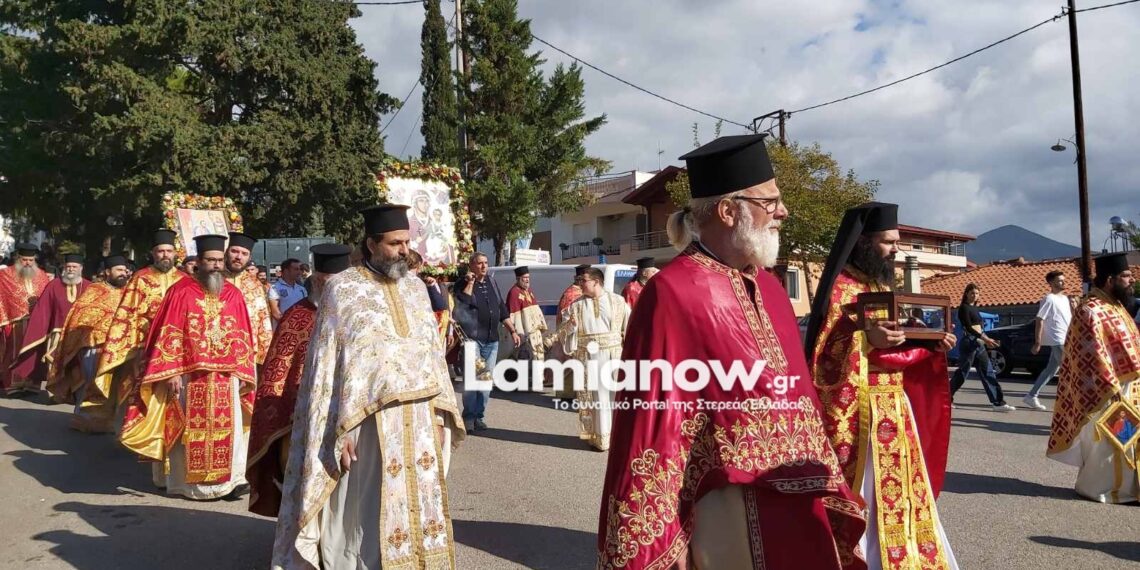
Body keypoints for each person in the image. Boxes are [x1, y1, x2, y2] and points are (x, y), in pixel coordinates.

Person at [597, 135, 865, 569]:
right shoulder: (671, 292)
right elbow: (651, 420)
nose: (783, 212)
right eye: (770, 201)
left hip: (802, 499)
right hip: (727, 505)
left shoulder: (772, 289)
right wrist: (667, 532)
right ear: (728, 211)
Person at [271, 204, 463, 569]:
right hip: (365, 421)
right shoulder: (342, 289)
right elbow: (327, 367)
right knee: (364, 506)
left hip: (419, 418)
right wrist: (337, 429)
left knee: (419, 500)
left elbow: (431, 356)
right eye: (394, 243)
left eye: (406, 242)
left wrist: (439, 415)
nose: (404, 250)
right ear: (371, 244)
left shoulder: (416, 288)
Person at [805, 202, 959, 570]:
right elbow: (825, 352)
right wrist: (864, 337)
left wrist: (929, 343)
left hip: (895, 406)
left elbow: (896, 342)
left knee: (903, 492)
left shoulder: (877, 284)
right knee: (870, 494)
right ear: (864, 242)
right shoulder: (841, 288)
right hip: (863, 414)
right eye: (888, 242)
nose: (895, 250)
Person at [120, 234, 256, 500]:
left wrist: (243, 371)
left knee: (227, 430)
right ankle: (187, 485)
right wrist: (171, 371)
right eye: (210, 260)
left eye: (219, 260)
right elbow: (167, 332)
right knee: (187, 430)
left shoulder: (234, 294)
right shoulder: (180, 291)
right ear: (199, 262)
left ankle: (226, 483)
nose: (216, 265)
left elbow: (243, 335)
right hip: (188, 375)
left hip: (225, 376)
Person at [247, 244, 351, 517]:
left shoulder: (361, 317)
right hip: (302, 417)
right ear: (316, 280)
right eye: (327, 282)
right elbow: (278, 372)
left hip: (351, 414)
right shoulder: (296, 316)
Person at [1047, 252, 1140, 503]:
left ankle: (1129, 488)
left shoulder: (1115, 306)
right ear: (1110, 279)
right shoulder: (1090, 310)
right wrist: (1111, 391)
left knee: (1129, 441)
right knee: (1110, 444)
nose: (1132, 280)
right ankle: (1104, 489)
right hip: (1106, 392)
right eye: (1126, 276)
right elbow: (1089, 356)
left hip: (1130, 388)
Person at [95, 230, 187, 415]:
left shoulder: (185, 280)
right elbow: (128, 313)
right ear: (153, 253)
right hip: (145, 345)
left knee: (174, 394)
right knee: (140, 394)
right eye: (160, 251)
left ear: (175, 253)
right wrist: (134, 347)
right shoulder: (141, 278)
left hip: (177, 346)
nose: (165, 255)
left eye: (169, 251)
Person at [48, 256, 130, 433]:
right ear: (107, 272)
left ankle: (110, 421)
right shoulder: (95, 290)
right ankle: (84, 419)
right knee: (90, 381)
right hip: (95, 345)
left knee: (117, 385)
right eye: (119, 270)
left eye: (124, 270)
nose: (123, 274)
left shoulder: (130, 293)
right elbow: (81, 316)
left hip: (121, 348)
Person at [556, 267, 628, 451]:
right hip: (588, 358)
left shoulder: (618, 301)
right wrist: (570, 327)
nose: (580, 284)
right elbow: (562, 332)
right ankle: (599, 439)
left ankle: (618, 437)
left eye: (584, 280)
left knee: (615, 398)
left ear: (596, 281)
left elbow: (630, 327)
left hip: (613, 356)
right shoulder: (576, 305)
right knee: (596, 399)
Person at [454, 251, 521, 431]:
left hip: (492, 340)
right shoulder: (462, 283)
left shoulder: (492, 282)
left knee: (485, 382)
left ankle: (479, 416)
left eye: (486, 262)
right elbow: (464, 303)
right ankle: (469, 417)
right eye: (479, 263)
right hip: (472, 340)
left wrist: (513, 331)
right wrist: (470, 282)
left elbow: (501, 309)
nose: (484, 266)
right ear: (471, 266)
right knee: (472, 379)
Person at [10, 253, 90, 394]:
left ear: (81, 268)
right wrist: (38, 330)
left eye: (74, 266)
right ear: (64, 267)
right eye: (68, 266)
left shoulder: (90, 287)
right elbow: (43, 309)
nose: (71, 269)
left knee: (78, 364)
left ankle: (76, 392)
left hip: (80, 333)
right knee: (55, 364)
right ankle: (56, 393)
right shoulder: (54, 285)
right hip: (57, 334)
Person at [948, 284, 1015, 411]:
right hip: (969, 343)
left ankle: (998, 402)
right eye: (972, 293)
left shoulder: (975, 308)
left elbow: (980, 328)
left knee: (988, 372)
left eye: (977, 293)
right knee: (962, 372)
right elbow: (969, 327)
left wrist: (987, 340)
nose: (975, 295)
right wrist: (985, 339)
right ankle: (946, 398)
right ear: (966, 294)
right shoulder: (964, 308)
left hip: (979, 343)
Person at [1, 243, 54, 394]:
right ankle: (13, 385)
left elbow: (47, 297)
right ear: (18, 258)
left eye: (31, 260)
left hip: (36, 322)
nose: (28, 263)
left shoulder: (42, 275)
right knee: (13, 353)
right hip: (14, 322)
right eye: (25, 260)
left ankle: (31, 385)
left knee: (34, 353)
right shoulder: (5, 275)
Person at [1024, 270, 1073, 411]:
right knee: (1069, 370)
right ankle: (1070, 401)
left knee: (1051, 370)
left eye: (1063, 280)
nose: (1063, 282)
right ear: (1051, 283)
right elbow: (1040, 319)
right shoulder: (1049, 299)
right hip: (1057, 339)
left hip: (1066, 338)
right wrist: (1038, 342)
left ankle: (1031, 395)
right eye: (1059, 280)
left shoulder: (1065, 299)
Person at [225, 232, 272, 365]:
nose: (239, 257)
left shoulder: (255, 285)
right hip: (218, 350)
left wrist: (264, 356)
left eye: (244, 254)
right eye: (234, 251)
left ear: (249, 257)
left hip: (248, 351)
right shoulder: (214, 279)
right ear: (226, 252)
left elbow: (263, 319)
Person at [507, 266, 551, 362]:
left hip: (535, 333)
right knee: (528, 358)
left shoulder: (528, 291)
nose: (527, 280)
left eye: (528, 277)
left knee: (538, 357)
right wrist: (520, 334)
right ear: (518, 278)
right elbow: (514, 316)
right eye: (525, 277)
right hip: (526, 335)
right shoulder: (514, 293)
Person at [268, 258, 307, 323]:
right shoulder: (275, 288)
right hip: (283, 327)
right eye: (296, 269)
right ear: (286, 271)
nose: (299, 272)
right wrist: (288, 325)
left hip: (300, 326)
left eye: (300, 269)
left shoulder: (302, 289)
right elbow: (275, 312)